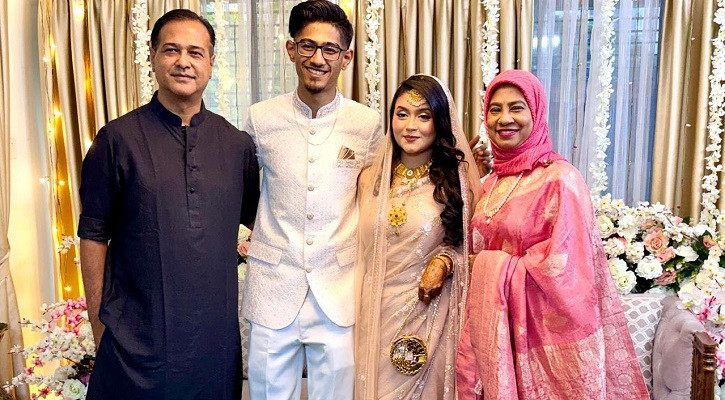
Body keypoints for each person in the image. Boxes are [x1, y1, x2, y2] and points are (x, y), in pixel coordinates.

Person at [78, 9, 259, 400]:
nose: (183, 61)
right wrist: (98, 323)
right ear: (153, 56)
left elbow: (264, 225)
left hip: (213, 345)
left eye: (195, 52)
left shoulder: (237, 146)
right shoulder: (117, 140)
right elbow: (92, 235)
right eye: (171, 50)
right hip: (134, 343)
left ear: (211, 62)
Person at [455, 70, 649, 399]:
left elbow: (567, 273)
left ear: (537, 112)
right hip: (491, 336)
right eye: (495, 109)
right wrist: (472, 175)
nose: (504, 119)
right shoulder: (492, 183)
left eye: (517, 108)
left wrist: (489, 266)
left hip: (545, 346)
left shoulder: (560, 180)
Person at [240, 1, 384, 399]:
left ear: (346, 58)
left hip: (339, 290)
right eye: (308, 46)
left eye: (330, 49)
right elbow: (241, 189)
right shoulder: (261, 118)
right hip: (273, 286)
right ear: (291, 49)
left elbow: (378, 195)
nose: (318, 59)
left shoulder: (366, 123)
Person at [355, 75, 480, 399]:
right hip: (373, 313)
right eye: (402, 114)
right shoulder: (369, 180)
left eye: (423, 116)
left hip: (430, 316)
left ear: (439, 122)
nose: (410, 126)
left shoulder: (456, 184)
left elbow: (473, 250)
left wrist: (444, 262)